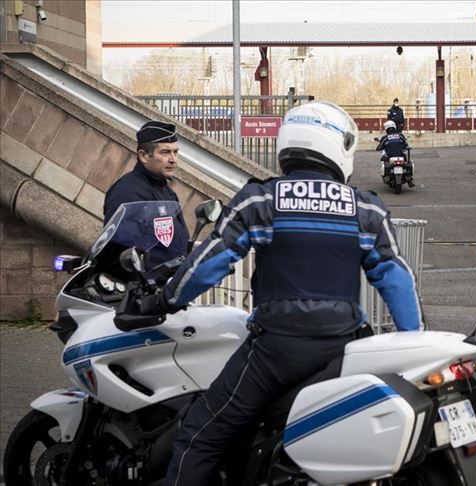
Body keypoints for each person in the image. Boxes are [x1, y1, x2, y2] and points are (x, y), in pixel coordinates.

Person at [136, 101, 423, 485]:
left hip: (274, 352)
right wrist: (414, 339)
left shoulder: (262, 199)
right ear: (338, 146)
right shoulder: (364, 207)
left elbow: (210, 262)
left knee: (200, 435)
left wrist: (164, 300)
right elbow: (395, 278)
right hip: (341, 348)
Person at [103, 120, 189, 266]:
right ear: (143, 156)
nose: (173, 160)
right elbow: (122, 253)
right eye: (165, 152)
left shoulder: (167, 192)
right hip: (149, 279)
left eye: (175, 152)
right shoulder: (127, 193)